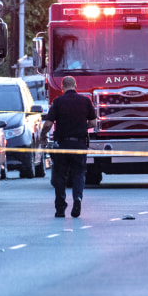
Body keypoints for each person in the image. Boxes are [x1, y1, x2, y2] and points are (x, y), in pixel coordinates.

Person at [39, 76, 96, 218]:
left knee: (60, 177)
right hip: (79, 144)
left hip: (62, 144)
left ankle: (60, 208)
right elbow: (93, 123)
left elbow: (47, 124)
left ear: (62, 86)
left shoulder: (58, 102)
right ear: (75, 85)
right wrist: (82, 126)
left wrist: (43, 136)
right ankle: (77, 198)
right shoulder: (85, 101)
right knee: (79, 174)